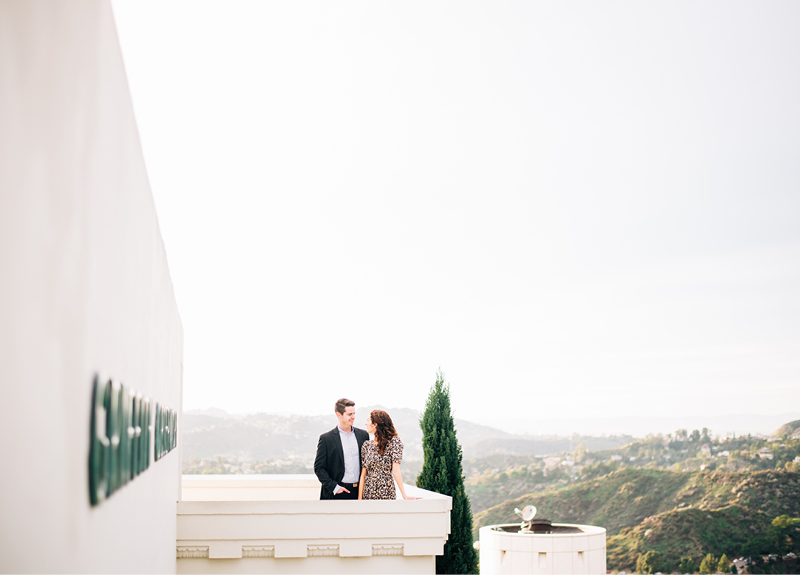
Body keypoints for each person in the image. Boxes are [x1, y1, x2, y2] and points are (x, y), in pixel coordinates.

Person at [314, 398, 370, 500]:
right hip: (336, 493)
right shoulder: (326, 439)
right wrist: (335, 487)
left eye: (354, 413)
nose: (353, 417)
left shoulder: (363, 435)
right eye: (349, 414)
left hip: (359, 492)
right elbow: (319, 468)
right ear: (338, 414)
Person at [358, 409, 419, 500]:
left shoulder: (394, 442)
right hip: (368, 494)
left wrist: (404, 495)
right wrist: (359, 500)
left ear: (375, 424)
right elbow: (363, 475)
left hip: (386, 493)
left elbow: (396, 471)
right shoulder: (367, 445)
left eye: (368, 420)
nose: (365, 423)